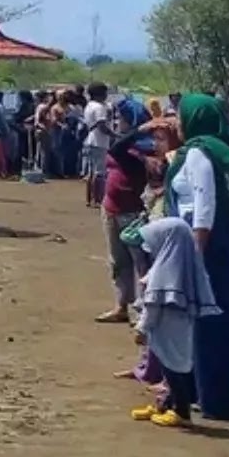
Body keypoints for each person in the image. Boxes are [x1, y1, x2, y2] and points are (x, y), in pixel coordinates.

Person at [163, 94, 229, 420]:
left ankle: (217, 396)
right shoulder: (224, 152)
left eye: (180, 115)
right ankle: (217, 390)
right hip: (222, 245)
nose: (177, 121)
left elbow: (203, 209)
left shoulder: (199, 154)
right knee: (221, 318)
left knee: (205, 322)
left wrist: (194, 255)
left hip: (202, 247)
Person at [129, 217, 213, 427]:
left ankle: (181, 412)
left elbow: (154, 304)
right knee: (169, 369)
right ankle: (165, 405)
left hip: (168, 329)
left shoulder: (167, 269)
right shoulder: (179, 262)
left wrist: (142, 328)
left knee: (174, 371)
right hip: (171, 329)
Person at [97, 127, 152, 323]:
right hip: (111, 209)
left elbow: (117, 148)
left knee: (141, 264)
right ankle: (121, 306)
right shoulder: (125, 147)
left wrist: (143, 129)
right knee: (118, 261)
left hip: (134, 213)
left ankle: (142, 311)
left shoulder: (146, 153)